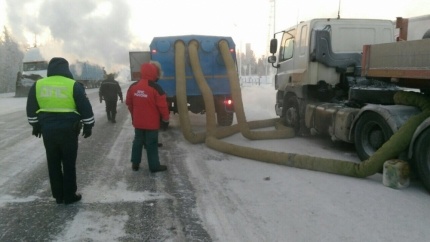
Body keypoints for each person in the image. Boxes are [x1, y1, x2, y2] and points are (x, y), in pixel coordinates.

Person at [26, 57, 95, 205]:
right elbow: (85, 107)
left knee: (53, 162)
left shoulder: (38, 85)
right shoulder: (73, 85)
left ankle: (58, 195)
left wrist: (35, 125)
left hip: (48, 131)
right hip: (69, 131)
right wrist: (88, 125)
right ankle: (70, 195)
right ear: (66, 69)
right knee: (69, 163)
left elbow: (31, 109)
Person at [126, 61, 170, 172]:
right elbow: (163, 107)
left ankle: (135, 164)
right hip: (152, 124)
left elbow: (129, 103)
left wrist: (134, 116)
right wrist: (165, 119)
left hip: (138, 122)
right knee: (151, 144)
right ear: (155, 73)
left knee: (137, 142)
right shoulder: (156, 88)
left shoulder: (133, 86)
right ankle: (154, 166)